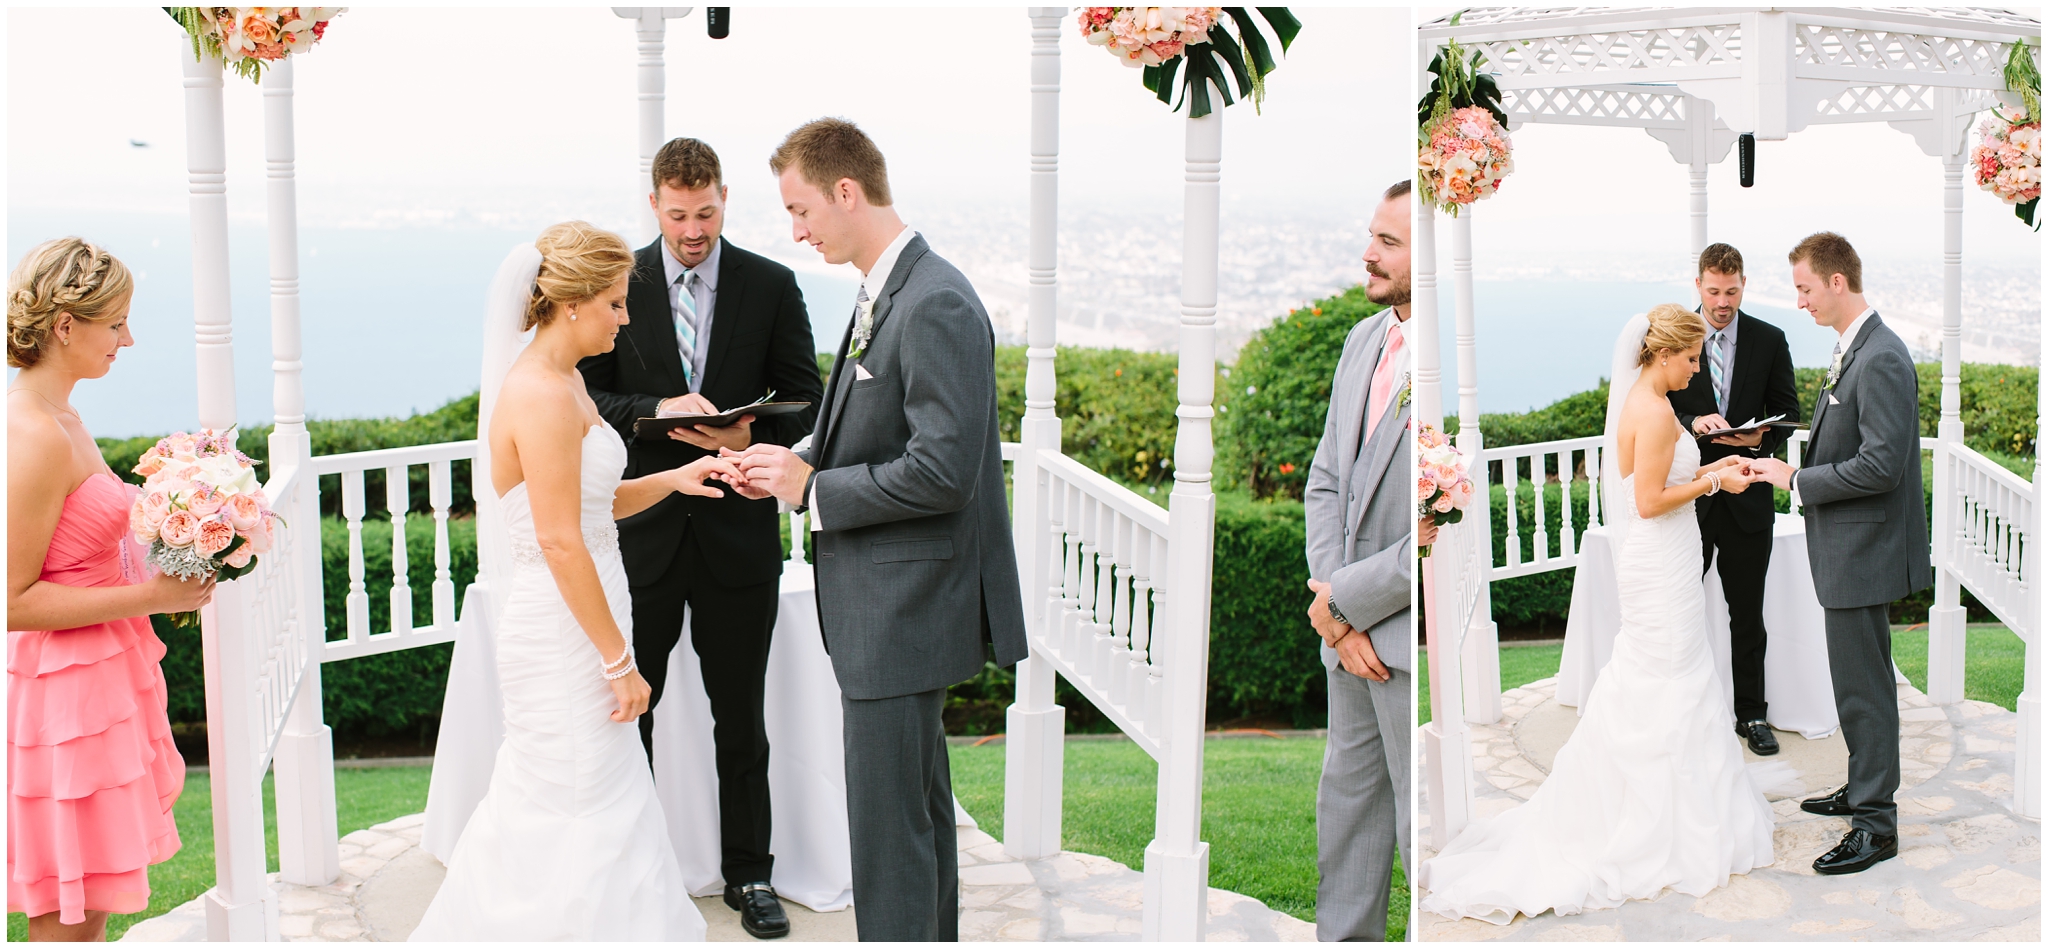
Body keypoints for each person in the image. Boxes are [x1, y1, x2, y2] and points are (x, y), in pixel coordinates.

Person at [729, 118, 1029, 942]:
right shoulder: (885, 287)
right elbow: (875, 431)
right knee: (917, 818)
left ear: (847, 192)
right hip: (887, 607)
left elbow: (943, 471)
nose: (795, 230)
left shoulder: (934, 301)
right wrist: (788, 461)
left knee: (890, 839)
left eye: (800, 210)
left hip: (904, 608)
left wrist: (814, 491)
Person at [410, 222, 743, 941]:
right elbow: (560, 540)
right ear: (571, 305)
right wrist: (618, 660)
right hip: (563, 632)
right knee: (569, 801)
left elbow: (593, 505)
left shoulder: (568, 382)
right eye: (616, 304)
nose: (625, 319)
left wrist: (676, 478)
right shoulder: (539, 394)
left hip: (589, 609)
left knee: (601, 794)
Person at [1418, 303, 1779, 924]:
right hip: (1663, 559)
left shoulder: (1639, 402)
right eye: (1690, 358)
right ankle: (1666, 820)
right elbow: (1650, 499)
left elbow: (1655, 474)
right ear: (1661, 354)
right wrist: (1718, 484)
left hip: (1652, 560)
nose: (1697, 369)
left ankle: (1655, 802)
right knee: (1671, 675)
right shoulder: (1659, 413)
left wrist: (1716, 465)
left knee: (1657, 674)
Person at [578, 137, 824, 938]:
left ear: (724, 199)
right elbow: (591, 399)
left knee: (740, 719)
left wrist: (749, 427)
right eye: (678, 214)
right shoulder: (622, 287)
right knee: (631, 718)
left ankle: (751, 876)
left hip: (737, 538)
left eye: (707, 212)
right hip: (645, 536)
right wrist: (659, 415)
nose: (693, 229)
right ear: (654, 204)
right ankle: (634, 875)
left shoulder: (773, 284)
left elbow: (808, 401)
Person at [6, 238, 211, 942]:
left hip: (97, 682)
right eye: (116, 322)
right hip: (65, 701)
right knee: (66, 920)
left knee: (87, 913)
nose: (128, 338)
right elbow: (13, 599)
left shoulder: (66, 418)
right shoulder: (33, 434)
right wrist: (153, 598)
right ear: (65, 325)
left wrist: (196, 521)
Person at [1748, 232, 1929, 875]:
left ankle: (1876, 825)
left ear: (1835, 282)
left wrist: (1795, 481)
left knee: (1864, 688)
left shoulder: (1880, 357)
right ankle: (1861, 789)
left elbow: (1881, 465)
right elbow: (1847, 440)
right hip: (1850, 546)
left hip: (1863, 548)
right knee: (1856, 682)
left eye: (1803, 288)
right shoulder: (1853, 348)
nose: (1799, 302)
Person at [1303, 180, 1415, 942]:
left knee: (1421, 822)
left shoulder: (1447, 368)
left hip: (1408, 640)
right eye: (1372, 235)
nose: (1369, 253)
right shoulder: (1361, 340)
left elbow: (1441, 524)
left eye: (1390, 242)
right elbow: (1326, 481)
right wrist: (1337, 615)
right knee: (1346, 811)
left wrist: (1350, 605)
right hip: (1349, 637)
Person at [1665, 243, 1800, 756]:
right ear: (1697, 284)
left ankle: (1753, 715)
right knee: (1679, 610)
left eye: (1733, 290)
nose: (1723, 301)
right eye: (1714, 291)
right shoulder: (1676, 338)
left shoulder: (1770, 339)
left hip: (1747, 498)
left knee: (1747, 614)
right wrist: (1690, 423)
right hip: (1688, 500)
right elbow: (1656, 401)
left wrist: (1759, 443)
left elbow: (1785, 412)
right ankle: (1679, 712)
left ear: (1745, 283)